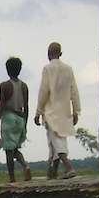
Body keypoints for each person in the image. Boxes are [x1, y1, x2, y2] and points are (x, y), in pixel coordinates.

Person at [34, 42, 80, 179]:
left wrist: (38, 112)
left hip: (51, 112)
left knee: (57, 142)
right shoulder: (68, 69)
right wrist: (76, 111)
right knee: (56, 142)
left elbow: (44, 91)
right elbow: (74, 91)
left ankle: (69, 167)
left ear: (48, 54)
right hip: (64, 111)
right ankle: (53, 173)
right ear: (60, 54)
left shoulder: (48, 69)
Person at [0, 56, 32, 182]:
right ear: (19, 70)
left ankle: (12, 179)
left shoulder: (5, 86)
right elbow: (26, 106)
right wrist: (25, 123)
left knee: (9, 151)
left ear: (7, 70)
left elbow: (1, 105)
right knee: (15, 148)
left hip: (8, 118)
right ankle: (25, 165)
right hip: (20, 117)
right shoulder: (24, 86)